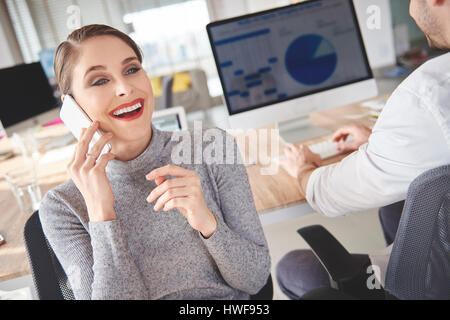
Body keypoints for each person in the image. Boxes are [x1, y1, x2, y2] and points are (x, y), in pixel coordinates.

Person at [39, 24, 271, 300]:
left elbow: (255, 280)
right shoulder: (63, 205)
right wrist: (102, 213)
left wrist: (208, 223)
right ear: (71, 106)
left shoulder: (211, 147)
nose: (125, 88)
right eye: (100, 81)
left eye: (131, 69)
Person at [276, 0, 450, 299]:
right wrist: (381, 144)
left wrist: (304, 168)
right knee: (393, 207)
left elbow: (329, 196)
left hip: (438, 282)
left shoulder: (428, 94)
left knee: (292, 268)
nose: (410, 9)